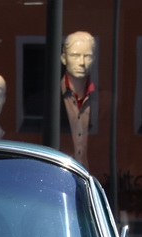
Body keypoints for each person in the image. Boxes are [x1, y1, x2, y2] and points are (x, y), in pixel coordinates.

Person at [60, 31, 96, 166]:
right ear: (64, 58)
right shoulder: (46, 101)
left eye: (87, 56)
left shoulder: (105, 102)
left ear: (93, 59)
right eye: (75, 56)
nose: (81, 62)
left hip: (96, 178)